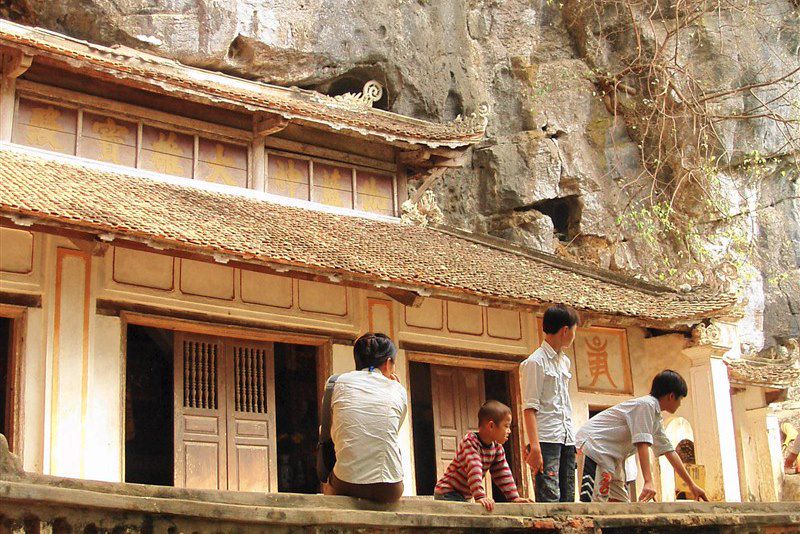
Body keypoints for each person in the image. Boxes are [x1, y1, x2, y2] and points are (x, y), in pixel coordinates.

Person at [576, 370, 708, 502]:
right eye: (680, 399)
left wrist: (692, 485)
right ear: (671, 396)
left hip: (612, 458)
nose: (680, 404)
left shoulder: (655, 416)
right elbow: (642, 443)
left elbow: (669, 451)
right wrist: (648, 481)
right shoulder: (646, 405)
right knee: (594, 506)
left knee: (620, 505)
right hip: (595, 449)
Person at [328, 333, 407, 503]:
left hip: (345, 483)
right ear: (388, 363)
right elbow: (393, 430)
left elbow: (331, 431)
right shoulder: (398, 390)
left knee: (332, 477)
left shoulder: (337, 383)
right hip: (389, 487)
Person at [519, 304, 579, 502]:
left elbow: (563, 403)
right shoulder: (535, 362)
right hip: (545, 440)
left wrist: (572, 440)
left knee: (568, 498)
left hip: (566, 439)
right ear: (565, 330)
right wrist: (534, 446)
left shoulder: (565, 362)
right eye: (574, 330)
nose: (574, 335)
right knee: (549, 498)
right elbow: (529, 408)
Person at [434, 400, 531, 511]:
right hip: (447, 492)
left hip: (463, 496)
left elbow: (503, 473)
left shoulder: (497, 448)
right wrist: (480, 495)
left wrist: (514, 498)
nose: (509, 431)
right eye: (506, 426)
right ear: (491, 426)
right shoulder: (470, 442)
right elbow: (474, 467)